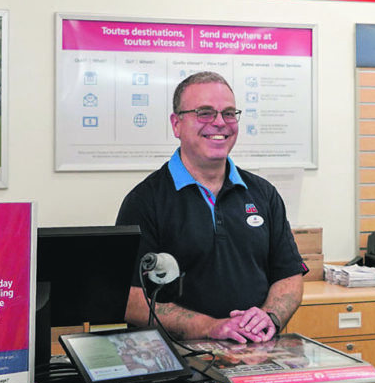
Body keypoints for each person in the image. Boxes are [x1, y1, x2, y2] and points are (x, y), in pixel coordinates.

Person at [116, 70, 304, 341]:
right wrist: (211, 327)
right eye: (204, 113)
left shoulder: (264, 194)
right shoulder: (145, 201)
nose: (220, 123)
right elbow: (129, 299)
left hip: (254, 356)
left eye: (229, 113)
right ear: (176, 124)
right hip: (176, 367)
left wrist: (269, 316)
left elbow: (289, 276)